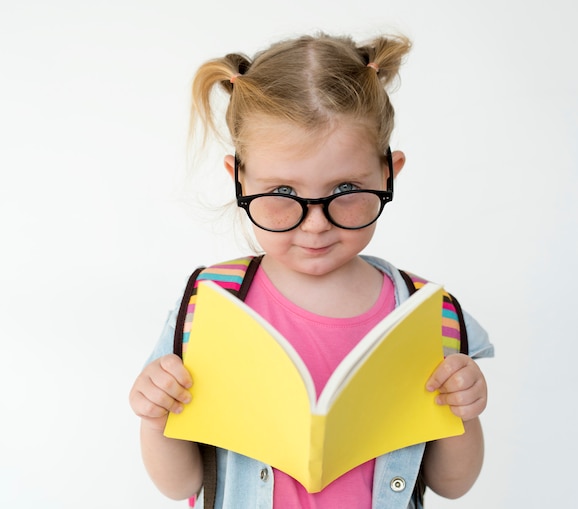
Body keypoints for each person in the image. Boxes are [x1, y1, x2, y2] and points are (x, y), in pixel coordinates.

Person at [129, 32, 494, 509]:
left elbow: (452, 484)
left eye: (345, 188)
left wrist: (464, 414)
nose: (316, 226)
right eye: (282, 194)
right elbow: (179, 486)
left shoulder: (429, 313)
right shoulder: (210, 303)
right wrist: (157, 419)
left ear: (389, 173)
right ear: (238, 178)